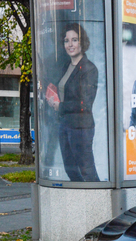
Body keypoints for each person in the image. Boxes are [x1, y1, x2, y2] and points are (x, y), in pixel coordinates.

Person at [47, 22, 100, 182]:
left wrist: (60, 106)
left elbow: (85, 103)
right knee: (70, 169)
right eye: (66, 40)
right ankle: (81, 202)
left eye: (74, 40)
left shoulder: (89, 69)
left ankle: (98, 201)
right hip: (65, 124)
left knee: (86, 171)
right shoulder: (66, 67)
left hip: (81, 126)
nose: (70, 44)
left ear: (82, 42)